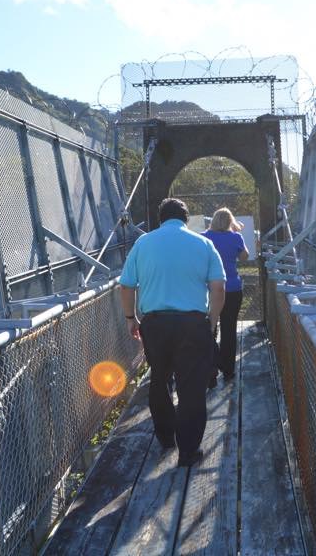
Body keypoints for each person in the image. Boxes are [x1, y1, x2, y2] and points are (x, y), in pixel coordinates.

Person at [119, 198, 226, 468]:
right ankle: (188, 451)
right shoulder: (203, 244)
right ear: (186, 219)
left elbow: (126, 285)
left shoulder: (143, 243)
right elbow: (218, 288)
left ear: (160, 218)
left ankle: (166, 438)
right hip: (193, 324)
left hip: (155, 324)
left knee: (159, 379)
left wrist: (131, 318)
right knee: (192, 387)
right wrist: (212, 321)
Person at [201, 207, 249, 384]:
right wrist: (236, 233)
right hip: (232, 289)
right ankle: (228, 370)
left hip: (209, 289)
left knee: (209, 328)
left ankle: (210, 370)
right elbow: (244, 257)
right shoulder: (236, 237)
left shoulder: (203, 237)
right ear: (230, 222)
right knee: (229, 329)